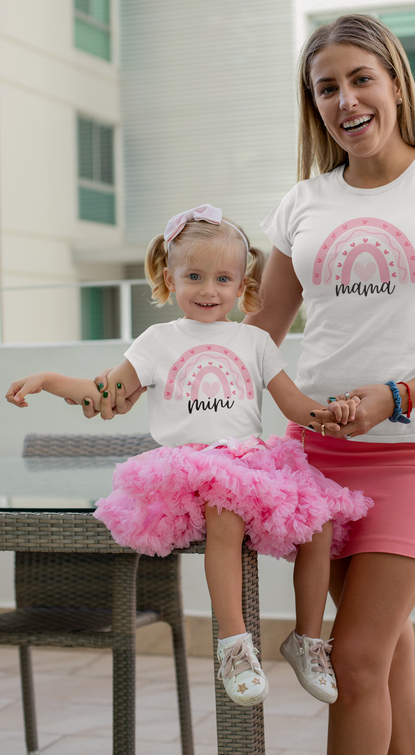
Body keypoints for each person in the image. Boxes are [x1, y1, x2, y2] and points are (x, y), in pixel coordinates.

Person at [245, 14, 415, 755]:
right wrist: (169, 369)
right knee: (385, 657)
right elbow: (258, 335)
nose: (344, 100)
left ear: (395, 84)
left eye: (360, 79)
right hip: (318, 459)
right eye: (325, 87)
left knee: (355, 657)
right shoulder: (300, 204)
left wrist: (394, 398)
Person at [5, 204, 373, 710]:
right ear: (168, 276)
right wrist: (48, 380)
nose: (208, 290)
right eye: (194, 276)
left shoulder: (256, 341)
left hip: (251, 459)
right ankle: (235, 647)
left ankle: (307, 641)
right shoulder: (158, 342)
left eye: (223, 279)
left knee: (319, 524)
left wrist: (329, 414)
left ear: (242, 282)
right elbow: (105, 390)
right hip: (192, 466)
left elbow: (293, 404)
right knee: (225, 516)